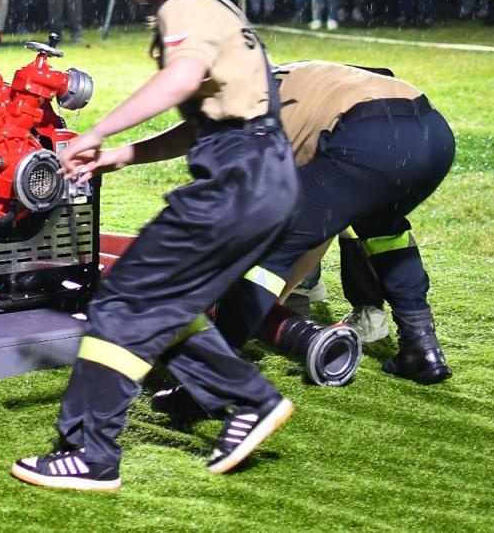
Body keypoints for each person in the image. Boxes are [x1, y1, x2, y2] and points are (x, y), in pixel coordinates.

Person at [12, 0, 298, 492]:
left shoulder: (184, 5)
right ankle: (248, 400)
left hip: (236, 179)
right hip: (264, 172)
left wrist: (97, 131)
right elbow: (205, 120)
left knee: (121, 302)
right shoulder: (214, 2)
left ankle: (88, 453)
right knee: (161, 304)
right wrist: (122, 155)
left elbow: (182, 79)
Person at [155, 62, 456, 410]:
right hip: (432, 136)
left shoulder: (263, 119)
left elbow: (307, 236)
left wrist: (269, 298)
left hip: (373, 139)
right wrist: (123, 155)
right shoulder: (273, 84)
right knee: (384, 226)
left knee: (274, 249)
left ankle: (206, 385)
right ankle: (422, 349)